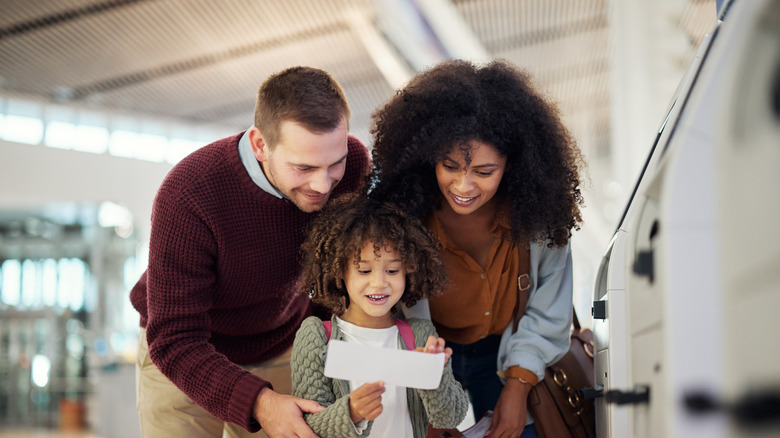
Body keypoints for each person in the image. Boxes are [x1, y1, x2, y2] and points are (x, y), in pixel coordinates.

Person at [130, 66, 371, 438]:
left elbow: (336, 272)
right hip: (187, 357)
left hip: (281, 345)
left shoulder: (354, 165)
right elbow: (174, 338)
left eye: (333, 163)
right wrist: (259, 402)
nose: (322, 185)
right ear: (260, 144)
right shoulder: (189, 192)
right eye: (303, 167)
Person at [368, 59, 585, 438]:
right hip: (424, 355)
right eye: (450, 165)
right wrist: (430, 397)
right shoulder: (400, 219)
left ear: (513, 166)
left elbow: (549, 310)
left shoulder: (540, 221)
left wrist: (518, 388)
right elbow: (380, 311)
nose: (464, 186)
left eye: (484, 172)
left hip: (506, 352)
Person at [290, 194, 469, 437]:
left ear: (409, 270)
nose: (379, 283)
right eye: (363, 270)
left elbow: (450, 417)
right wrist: (352, 412)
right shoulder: (317, 335)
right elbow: (307, 427)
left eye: (393, 270)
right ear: (339, 270)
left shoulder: (420, 334)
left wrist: (435, 380)